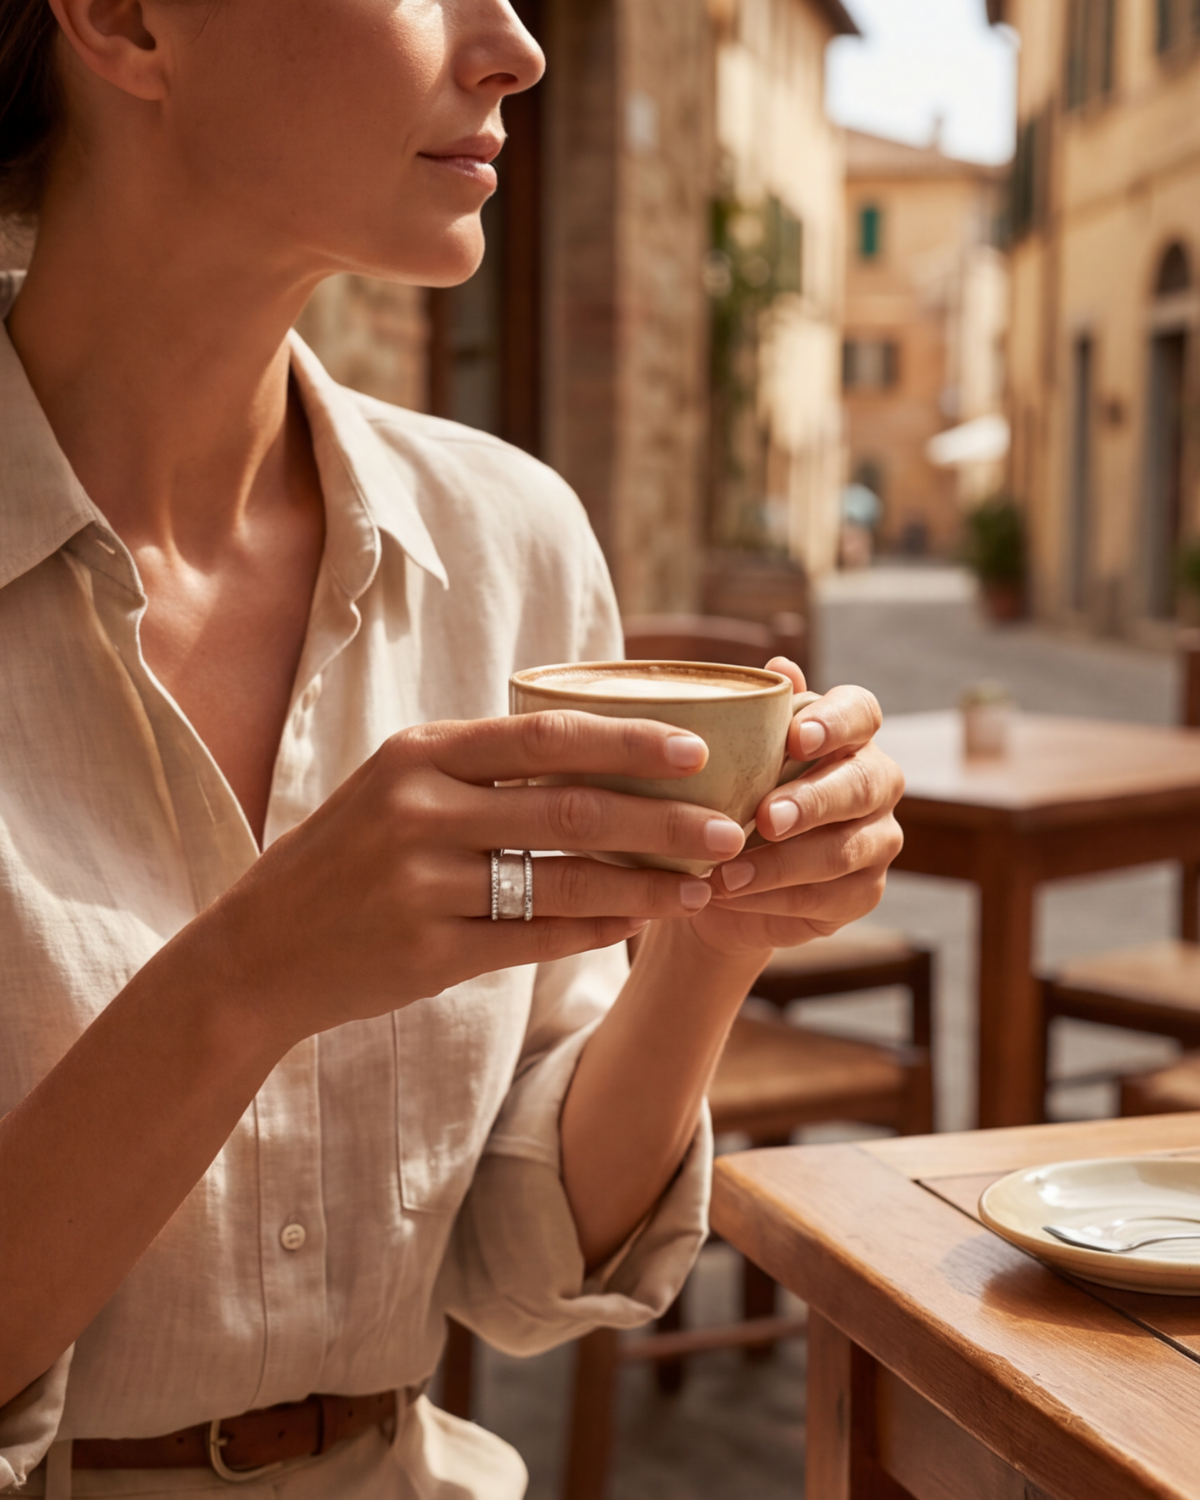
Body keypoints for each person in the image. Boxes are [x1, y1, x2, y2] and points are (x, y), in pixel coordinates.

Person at [0, 0, 905, 1495]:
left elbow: (523, 1265)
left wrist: (711, 935)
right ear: (124, 19)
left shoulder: (510, 541)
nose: (516, 44)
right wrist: (250, 977)